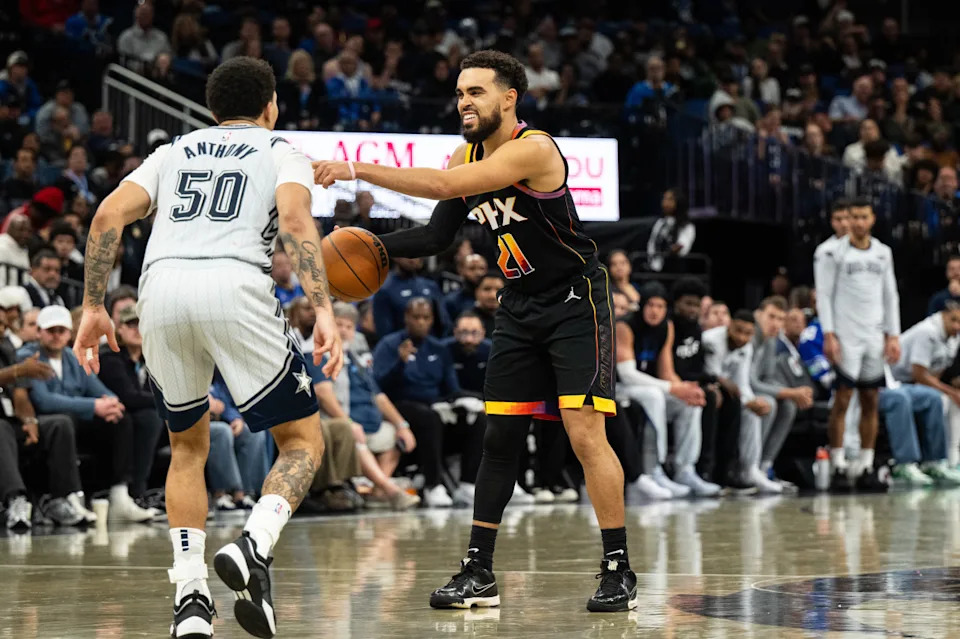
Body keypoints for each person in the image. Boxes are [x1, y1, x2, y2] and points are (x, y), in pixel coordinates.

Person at [314, 50, 634, 612]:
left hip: (575, 302)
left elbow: (441, 186)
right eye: (460, 92)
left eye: (477, 92)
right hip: (517, 306)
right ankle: (478, 571)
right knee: (499, 438)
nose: (464, 101)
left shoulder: (533, 149)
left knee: (585, 433)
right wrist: (376, 247)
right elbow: (439, 235)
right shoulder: (466, 153)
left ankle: (617, 569)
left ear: (509, 98)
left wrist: (357, 167)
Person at [71, 57, 344, 639]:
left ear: (212, 109)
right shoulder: (279, 149)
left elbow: (105, 217)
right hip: (234, 283)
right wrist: (323, 307)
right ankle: (254, 543)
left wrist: (94, 305)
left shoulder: (173, 150)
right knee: (301, 440)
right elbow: (295, 220)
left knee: (187, 446)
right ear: (270, 105)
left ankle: (191, 600)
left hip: (160, 289)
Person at [19, 305, 154, 522]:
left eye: (61, 330)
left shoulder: (73, 357)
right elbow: (44, 401)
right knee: (64, 421)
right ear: (39, 332)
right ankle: (70, 498)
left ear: (69, 333)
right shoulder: (28, 356)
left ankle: (120, 494)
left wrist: (112, 403)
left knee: (121, 419)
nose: (56, 336)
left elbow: (99, 390)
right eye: (50, 330)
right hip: (43, 424)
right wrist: (93, 406)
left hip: (74, 423)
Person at [817, 198, 900, 491]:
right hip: (845, 335)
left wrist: (893, 334)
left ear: (873, 219)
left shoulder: (883, 252)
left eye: (863, 217)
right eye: (853, 217)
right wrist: (829, 334)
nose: (858, 222)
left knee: (870, 400)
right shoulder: (830, 252)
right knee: (842, 400)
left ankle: (866, 464)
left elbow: (890, 295)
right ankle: (838, 464)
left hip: (873, 336)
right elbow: (824, 295)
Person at [702, 310, 782, 493]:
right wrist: (725, 385)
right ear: (729, 327)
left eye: (748, 334)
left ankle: (750, 469)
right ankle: (713, 471)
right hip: (708, 388)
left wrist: (752, 401)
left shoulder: (746, 347)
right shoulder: (711, 340)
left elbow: (742, 383)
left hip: (732, 395)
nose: (742, 337)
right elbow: (711, 372)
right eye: (738, 331)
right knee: (730, 403)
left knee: (754, 410)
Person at [750, 297, 813, 483]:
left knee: (788, 406)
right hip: (739, 391)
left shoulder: (771, 340)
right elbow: (751, 382)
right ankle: (749, 466)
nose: (775, 323)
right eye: (771, 317)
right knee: (768, 403)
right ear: (758, 315)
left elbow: (768, 377)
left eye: (780, 319)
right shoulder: (749, 336)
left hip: (755, 389)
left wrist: (793, 393)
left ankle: (764, 466)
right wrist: (791, 392)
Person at [646, 189, 695, 273]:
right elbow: (652, 243)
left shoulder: (686, 226)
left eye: (670, 199)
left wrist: (671, 251)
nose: (665, 203)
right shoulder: (660, 223)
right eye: (664, 199)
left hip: (675, 269)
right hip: (655, 266)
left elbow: (682, 246)